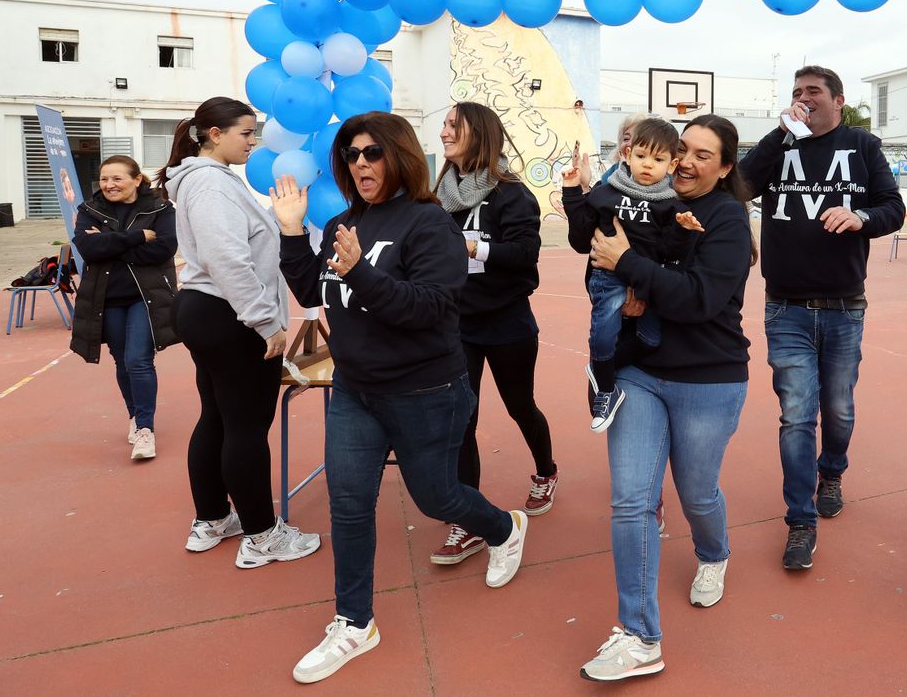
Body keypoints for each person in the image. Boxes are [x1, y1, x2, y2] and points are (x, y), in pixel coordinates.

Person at [272, 112, 529, 684]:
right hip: (356, 391)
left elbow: (430, 307)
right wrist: (291, 233)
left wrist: (361, 273)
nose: (360, 163)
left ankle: (504, 528)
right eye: (351, 154)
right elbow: (315, 289)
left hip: (426, 392)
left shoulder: (429, 223)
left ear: (399, 155)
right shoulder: (341, 223)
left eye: (372, 152)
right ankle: (354, 622)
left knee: (437, 498)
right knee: (348, 504)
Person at [577, 114, 755, 682]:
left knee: (697, 493)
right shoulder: (642, 198)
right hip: (639, 372)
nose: (686, 162)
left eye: (704, 155)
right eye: (684, 150)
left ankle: (713, 553)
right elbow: (599, 262)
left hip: (709, 376)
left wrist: (632, 268)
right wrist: (626, 280)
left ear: (724, 168)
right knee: (632, 501)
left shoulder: (727, 218)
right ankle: (638, 636)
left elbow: (699, 299)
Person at [738, 65, 905, 571]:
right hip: (785, 306)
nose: (804, 98)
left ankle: (831, 471)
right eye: (797, 92)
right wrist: (780, 134)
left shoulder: (862, 145)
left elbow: (892, 208)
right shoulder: (780, 146)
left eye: (813, 91)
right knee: (795, 415)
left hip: (844, 306)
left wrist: (861, 217)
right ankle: (800, 521)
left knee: (838, 408)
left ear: (838, 100)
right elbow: (739, 186)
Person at [163, 97, 320, 568]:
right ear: (215, 134)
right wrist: (266, 321)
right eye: (247, 133)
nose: (254, 141)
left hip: (212, 311)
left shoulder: (210, 179)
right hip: (228, 314)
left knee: (218, 418)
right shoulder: (210, 184)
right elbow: (227, 259)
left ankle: (213, 519)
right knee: (245, 427)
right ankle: (262, 536)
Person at [430, 102, 558, 566]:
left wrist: (473, 247)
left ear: (479, 134)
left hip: (506, 322)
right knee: (462, 416)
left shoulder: (512, 194)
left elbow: (524, 254)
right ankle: (469, 519)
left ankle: (545, 471)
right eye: (444, 124)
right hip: (456, 326)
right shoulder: (437, 195)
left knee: (520, 405)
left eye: (453, 125)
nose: (444, 132)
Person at [564, 117, 702, 432]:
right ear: (627, 154)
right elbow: (581, 235)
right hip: (609, 278)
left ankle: (601, 368)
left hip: (645, 281)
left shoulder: (670, 205)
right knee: (603, 334)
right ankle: (606, 391)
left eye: (658, 159)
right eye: (641, 156)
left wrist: (682, 231)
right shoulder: (606, 192)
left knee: (651, 339)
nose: (647, 165)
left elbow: (668, 252)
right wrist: (573, 192)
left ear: (672, 164)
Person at [70, 155, 178, 461]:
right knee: (121, 361)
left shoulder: (160, 208)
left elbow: (164, 249)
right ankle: (134, 415)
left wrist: (110, 244)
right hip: (107, 298)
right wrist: (135, 238)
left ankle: (145, 429)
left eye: (117, 178)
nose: (109, 185)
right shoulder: (89, 209)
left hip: (146, 296)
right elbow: (87, 247)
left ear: (136, 179)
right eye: (105, 179)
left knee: (138, 360)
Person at [601, 113, 650, 185]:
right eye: (626, 138)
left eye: (637, 138)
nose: (630, 143)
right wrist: (585, 186)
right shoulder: (609, 175)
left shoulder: (660, 175)